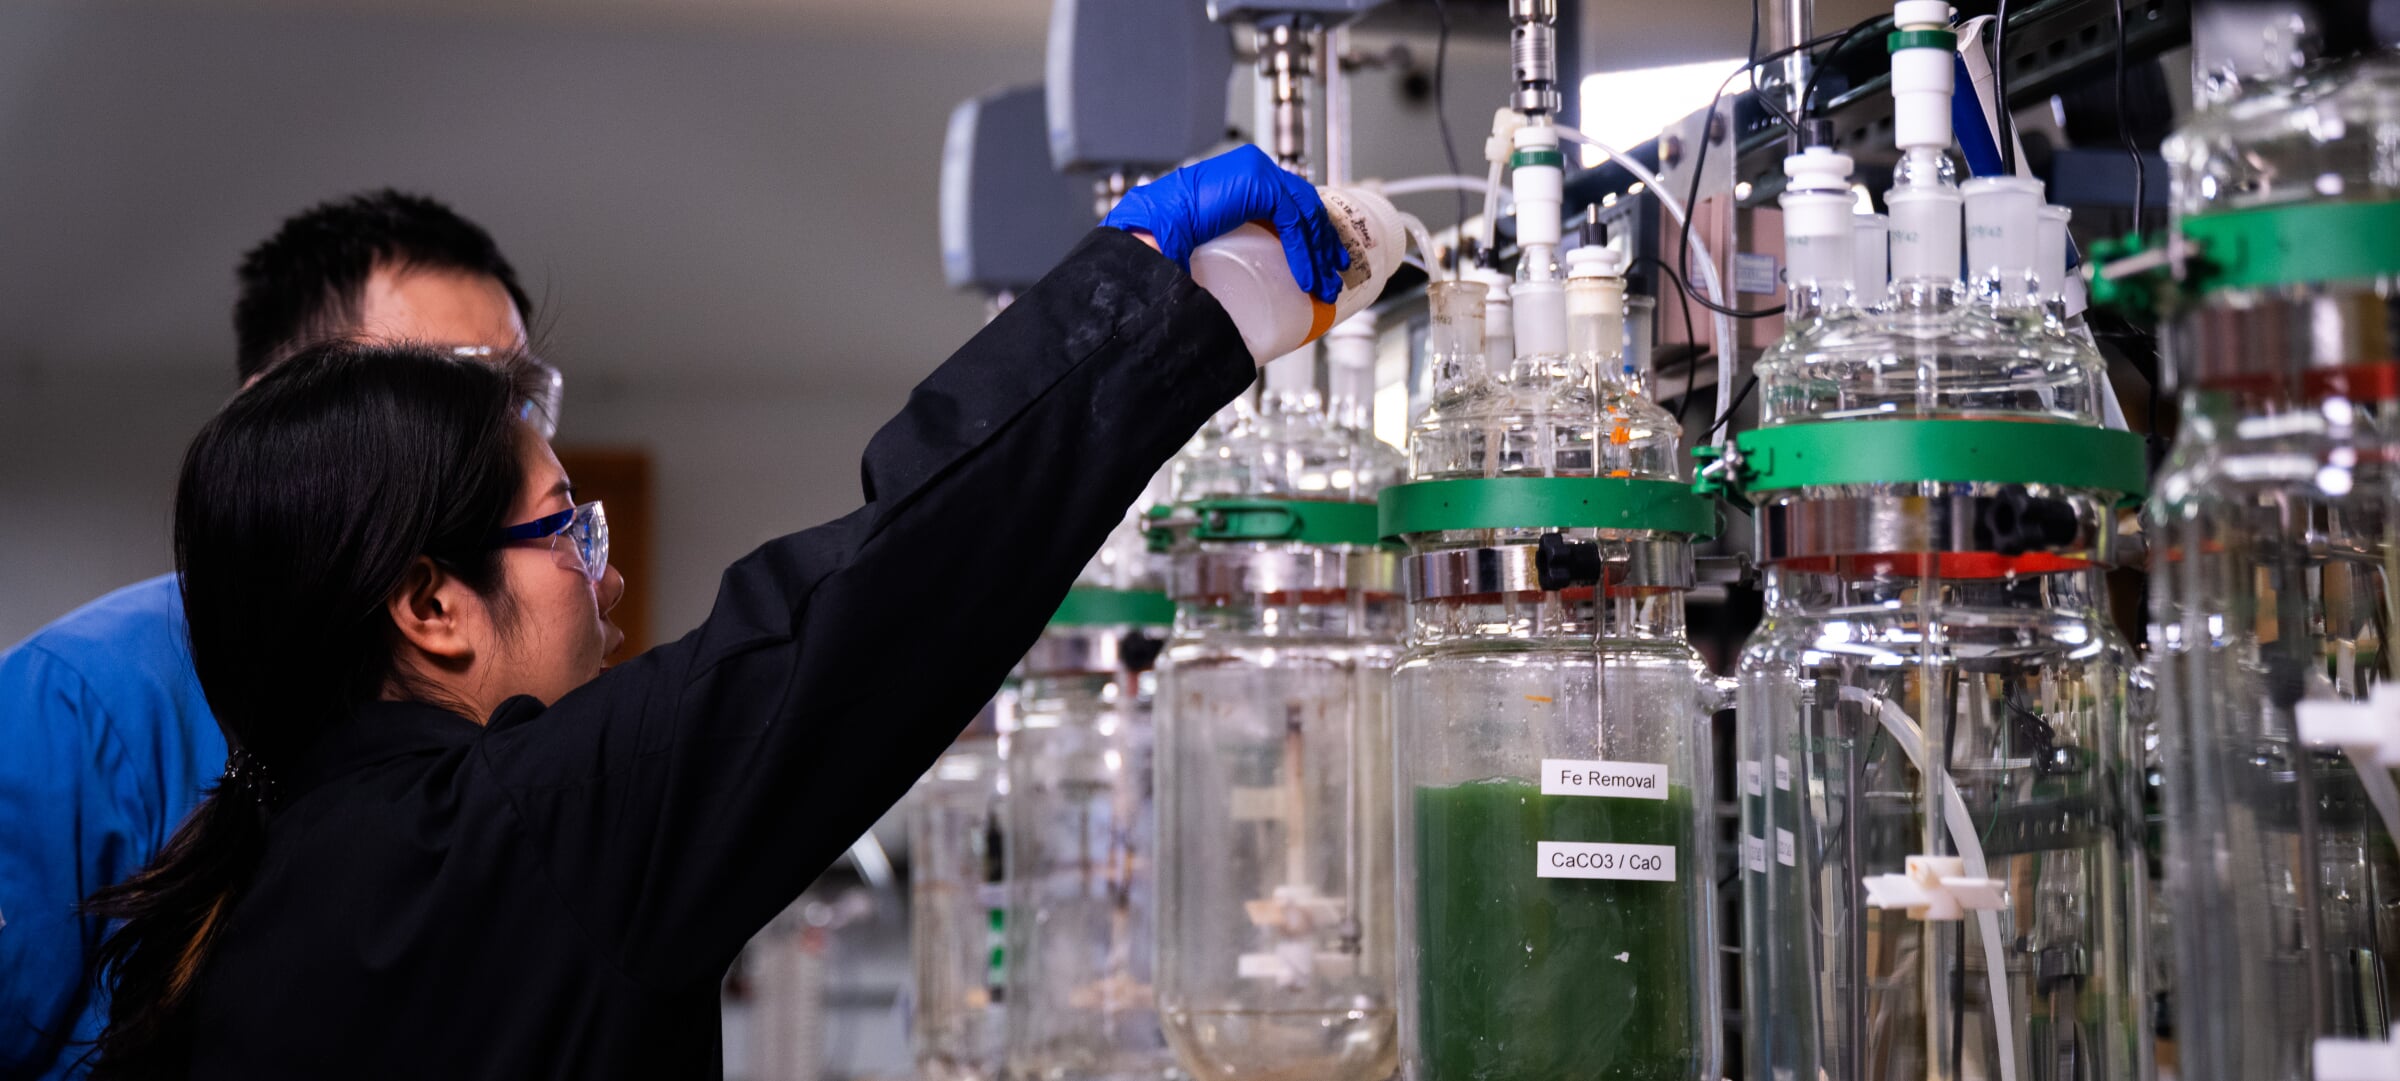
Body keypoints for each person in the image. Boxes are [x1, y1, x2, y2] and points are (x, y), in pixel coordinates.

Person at [79, 144, 1342, 1080]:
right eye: (568, 528)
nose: (608, 574)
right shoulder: (514, 834)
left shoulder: (241, 904)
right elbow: (874, 599)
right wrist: (1147, 289)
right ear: (430, 604)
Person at [0, 190, 538, 1081]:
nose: (490, 447)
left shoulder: (506, 704)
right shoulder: (76, 705)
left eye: (514, 404)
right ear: (282, 416)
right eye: (433, 392)